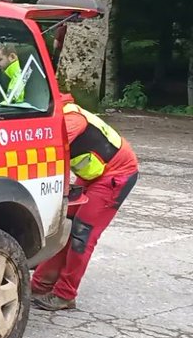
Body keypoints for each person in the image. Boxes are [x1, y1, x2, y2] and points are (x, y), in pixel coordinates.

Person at [31, 96, 139, 311]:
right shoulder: (58, 112)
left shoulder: (70, 121)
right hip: (94, 174)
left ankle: (65, 295)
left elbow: (43, 154)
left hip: (115, 176)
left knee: (82, 234)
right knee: (66, 225)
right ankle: (41, 284)